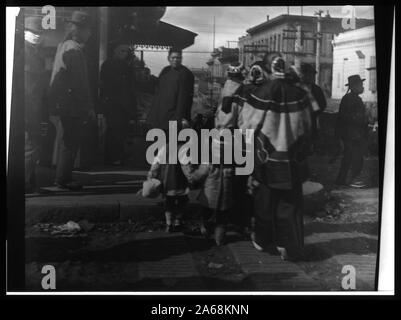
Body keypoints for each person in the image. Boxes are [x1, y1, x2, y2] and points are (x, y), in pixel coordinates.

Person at [238, 55, 313, 260]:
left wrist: (248, 151)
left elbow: (246, 126)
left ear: (269, 69)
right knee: (290, 203)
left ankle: (263, 241)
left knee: (265, 201)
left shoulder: (261, 92)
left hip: (267, 158)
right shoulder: (299, 94)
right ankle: (288, 245)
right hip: (292, 158)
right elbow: (308, 126)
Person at [48, 11, 95, 190]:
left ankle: (62, 177)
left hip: (64, 104)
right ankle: (63, 179)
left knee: (66, 141)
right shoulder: (74, 49)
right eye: (88, 30)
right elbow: (80, 83)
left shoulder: (64, 45)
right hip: (73, 106)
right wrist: (88, 107)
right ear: (80, 31)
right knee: (71, 141)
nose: (89, 34)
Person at [18, 17, 48, 194]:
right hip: (27, 109)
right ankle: (23, 184)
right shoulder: (24, 52)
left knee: (31, 146)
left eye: (40, 32)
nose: (37, 35)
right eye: (33, 32)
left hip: (33, 108)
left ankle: (29, 183)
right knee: (30, 146)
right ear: (24, 32)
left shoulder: (35, 52)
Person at [100, 43, 136, 166]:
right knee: (114, 131)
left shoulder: (125, 66)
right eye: (122, 51)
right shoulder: (109, 65)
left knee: (120, 132)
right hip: (114, 103)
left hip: (122, 104)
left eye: (126, 51)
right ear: (115, 51)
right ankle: (113, 157)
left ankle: (116, 156)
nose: (124, 54)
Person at [148, 47, 194, 132]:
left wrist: (181, 117)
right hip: (160, 114)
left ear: (181, 58)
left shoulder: (186, 74)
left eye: (178, 57)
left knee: (172, 142)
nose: (175, 60)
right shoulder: (165, 71)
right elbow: (158, 92)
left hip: (176, 116)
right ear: (168, 58)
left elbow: (185, 99)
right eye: (173, 57)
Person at [335, 74, 369, 188]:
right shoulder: (350, 99)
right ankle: (352, 179)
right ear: (353, 86)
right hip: (352, 134)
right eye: (360, 85)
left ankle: (342, 180)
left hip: (353, 133)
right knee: (355, 157)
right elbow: (347, 117)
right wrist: (361, 119)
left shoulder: (354, 98)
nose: (362, 87)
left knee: (349, 157)